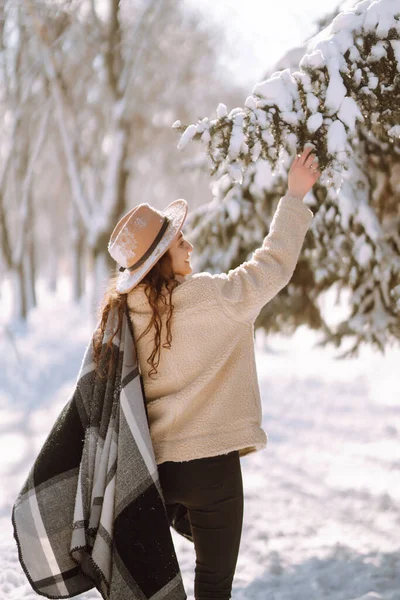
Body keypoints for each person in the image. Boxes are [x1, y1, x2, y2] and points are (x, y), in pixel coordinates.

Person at [99, 146, 321, 600]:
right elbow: (271, 266)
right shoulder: (210, 297)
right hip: (213, 470)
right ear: (162, 258)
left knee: (190, 554)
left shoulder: (123, 318)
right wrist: (295, 198)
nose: (191, 246)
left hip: (157, 476)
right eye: (182, 242)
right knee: (215, 582)